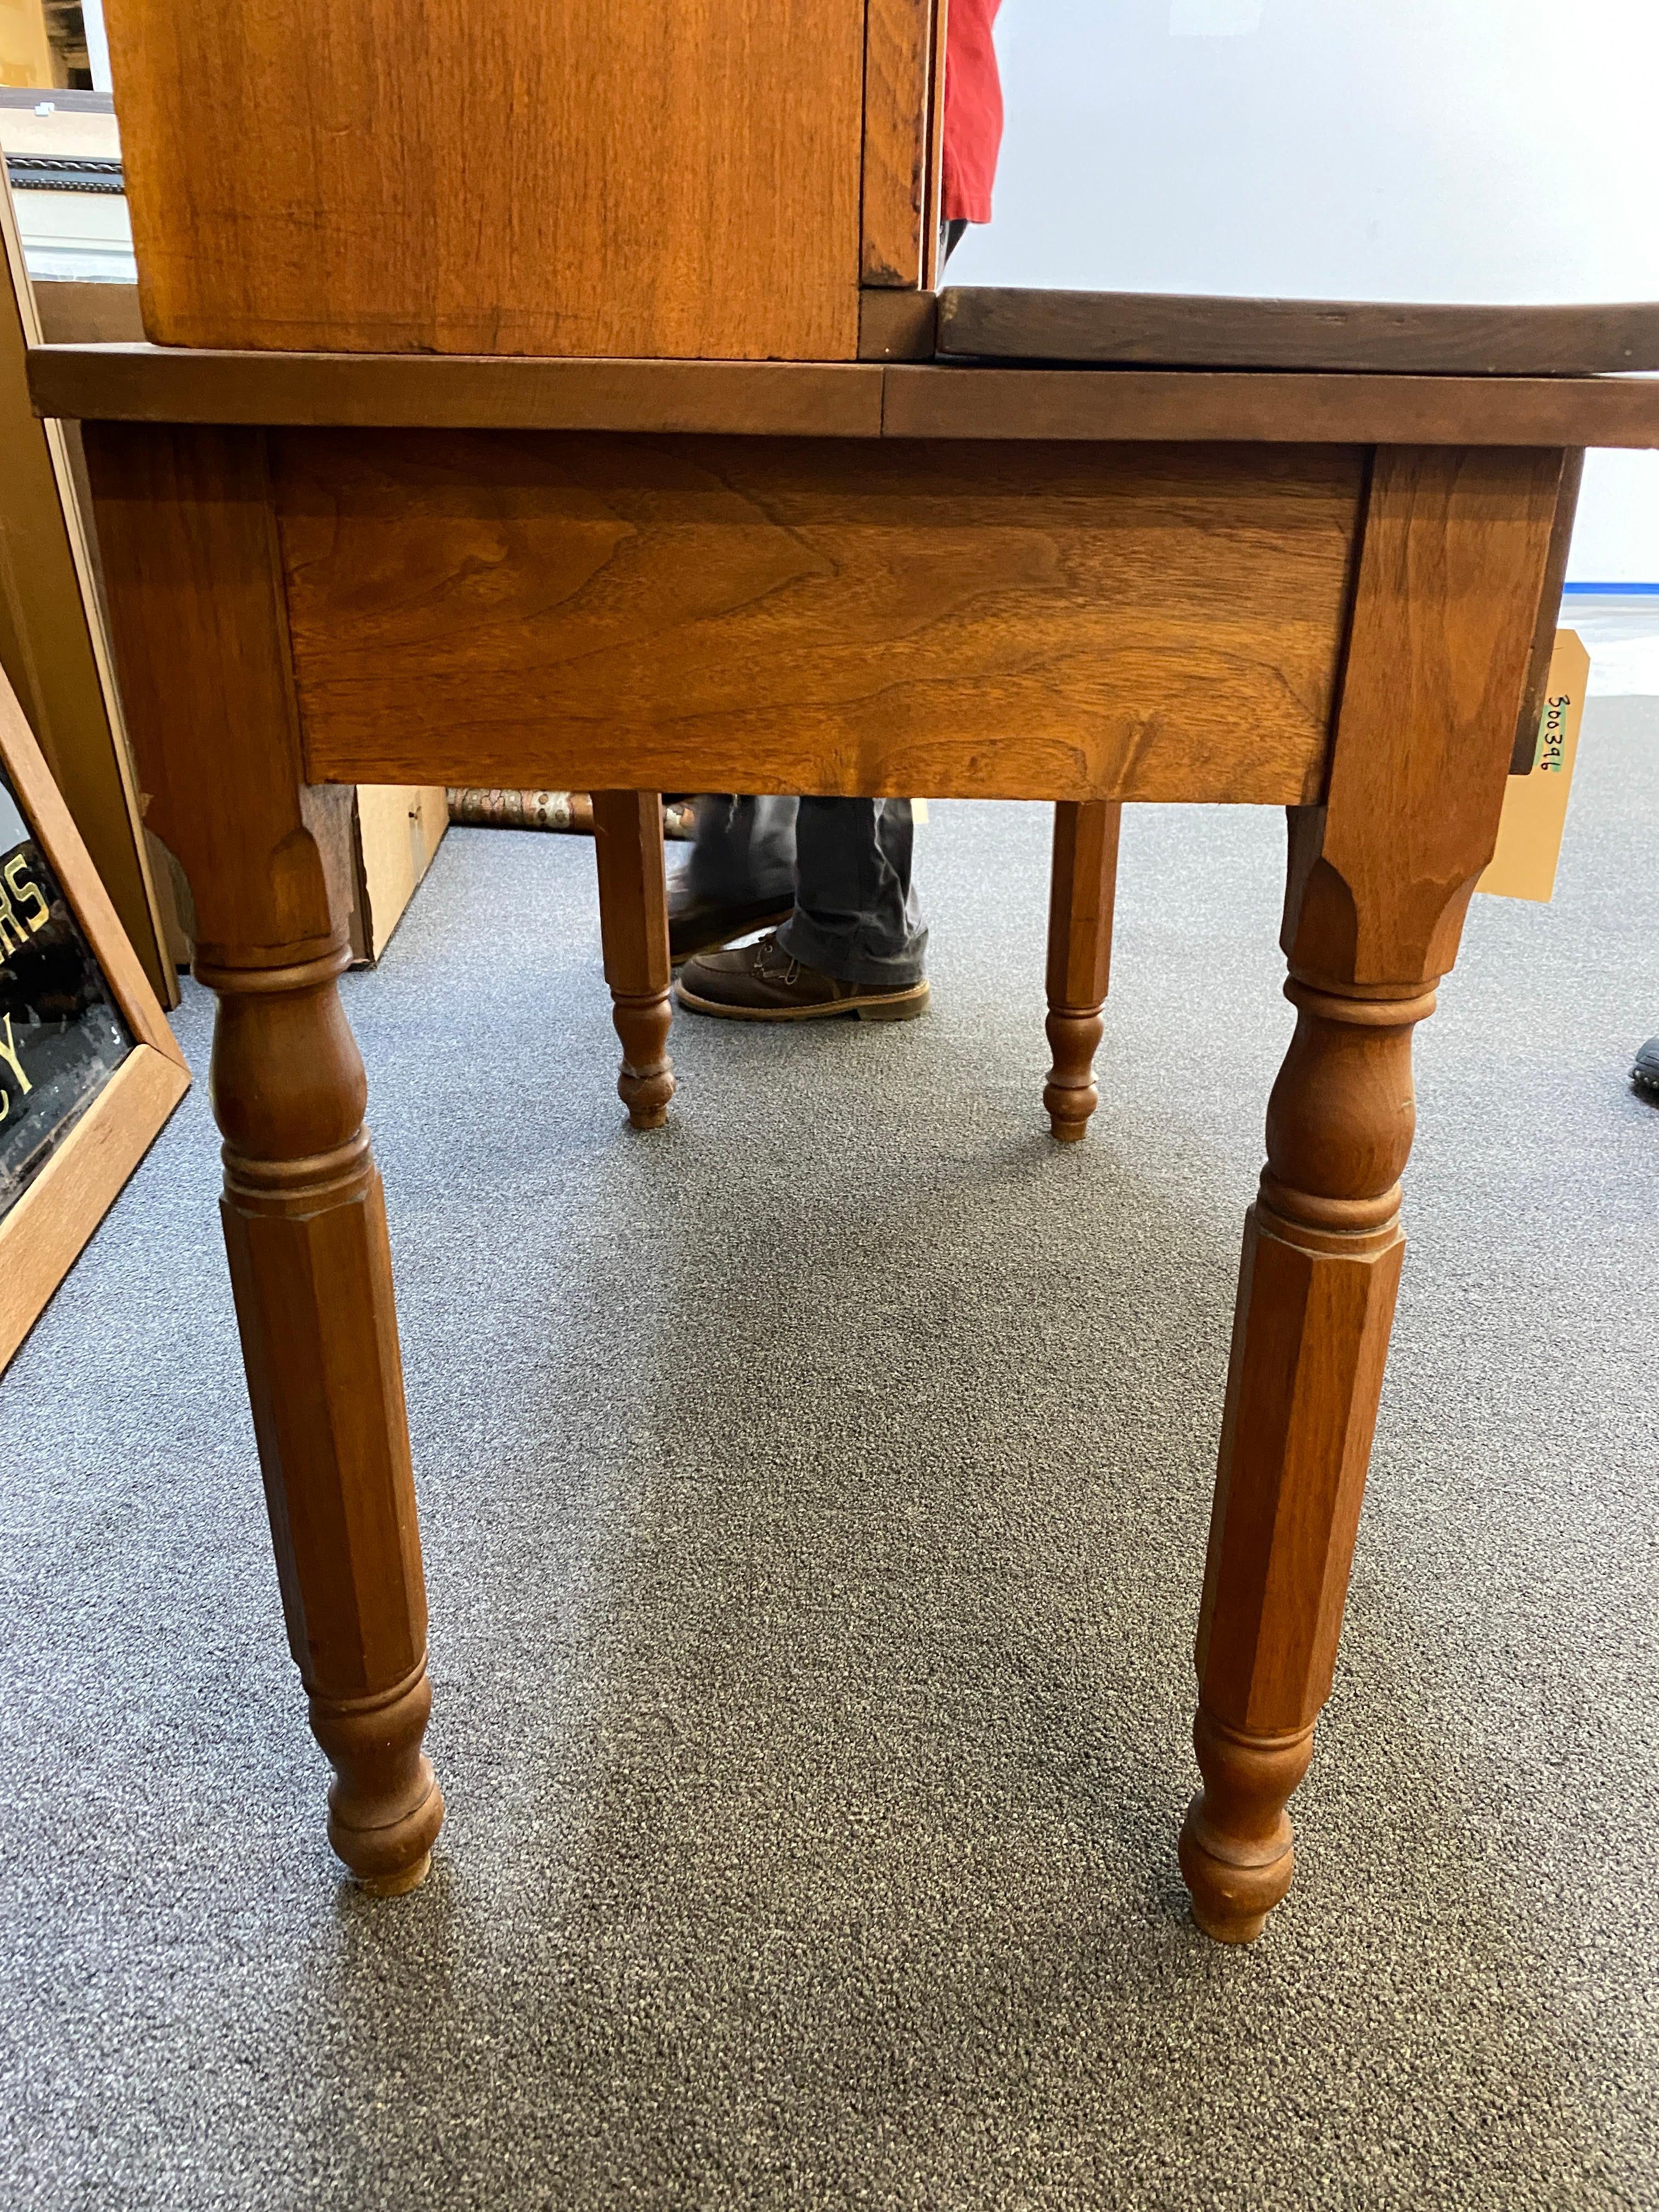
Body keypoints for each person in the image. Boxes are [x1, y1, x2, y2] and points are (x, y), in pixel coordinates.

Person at [671, 0, 1006, 1024]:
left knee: (823, 516)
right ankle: (773, 851)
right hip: (857, 104)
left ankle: (846, 915)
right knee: (776, 489)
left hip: (864, 109)